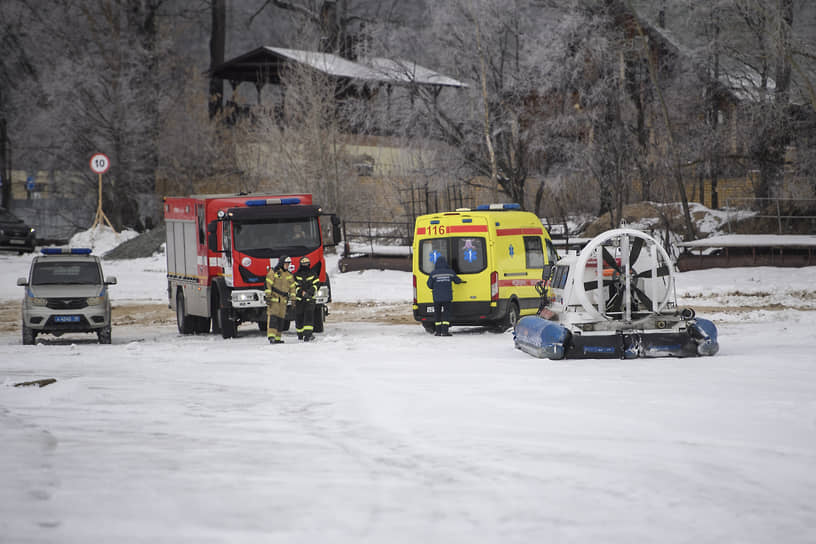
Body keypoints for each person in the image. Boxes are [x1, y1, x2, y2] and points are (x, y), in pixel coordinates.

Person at [426, 256, 464, 336]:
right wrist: (461, 281)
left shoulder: (433, 273)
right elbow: (457, 280)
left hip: (437, 298)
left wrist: (436, 286)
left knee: (437, 314)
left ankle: (438, 332)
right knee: (446, 314)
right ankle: (445, 331)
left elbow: (429, 285)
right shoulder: (449, 272)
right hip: (447, 298)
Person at [264, 256, 295, 344]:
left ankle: (277, 337)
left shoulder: (289, 275)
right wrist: (268, 296)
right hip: (274, 300)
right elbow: (268, 285)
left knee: (281, 319)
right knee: (273, 318)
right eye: (286, 264)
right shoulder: (273, 272)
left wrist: (293, 299)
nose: (287, 266)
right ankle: (271, 336)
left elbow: (292, 288)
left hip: (283, 301)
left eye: (288, 264)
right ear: (281, 263)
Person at [293, 256, 320, 341]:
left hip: (309, 299)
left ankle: (308, 335)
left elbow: (316, 284)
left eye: (307, 263)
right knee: (299, 317)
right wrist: (301, 292)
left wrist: (309, 292)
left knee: (309, 317)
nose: (305, 265)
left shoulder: (313, 274)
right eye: (304, 263)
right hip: (299, 300)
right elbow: (294, 286)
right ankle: (300, 334)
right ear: (301, 264)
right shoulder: (296, 275)